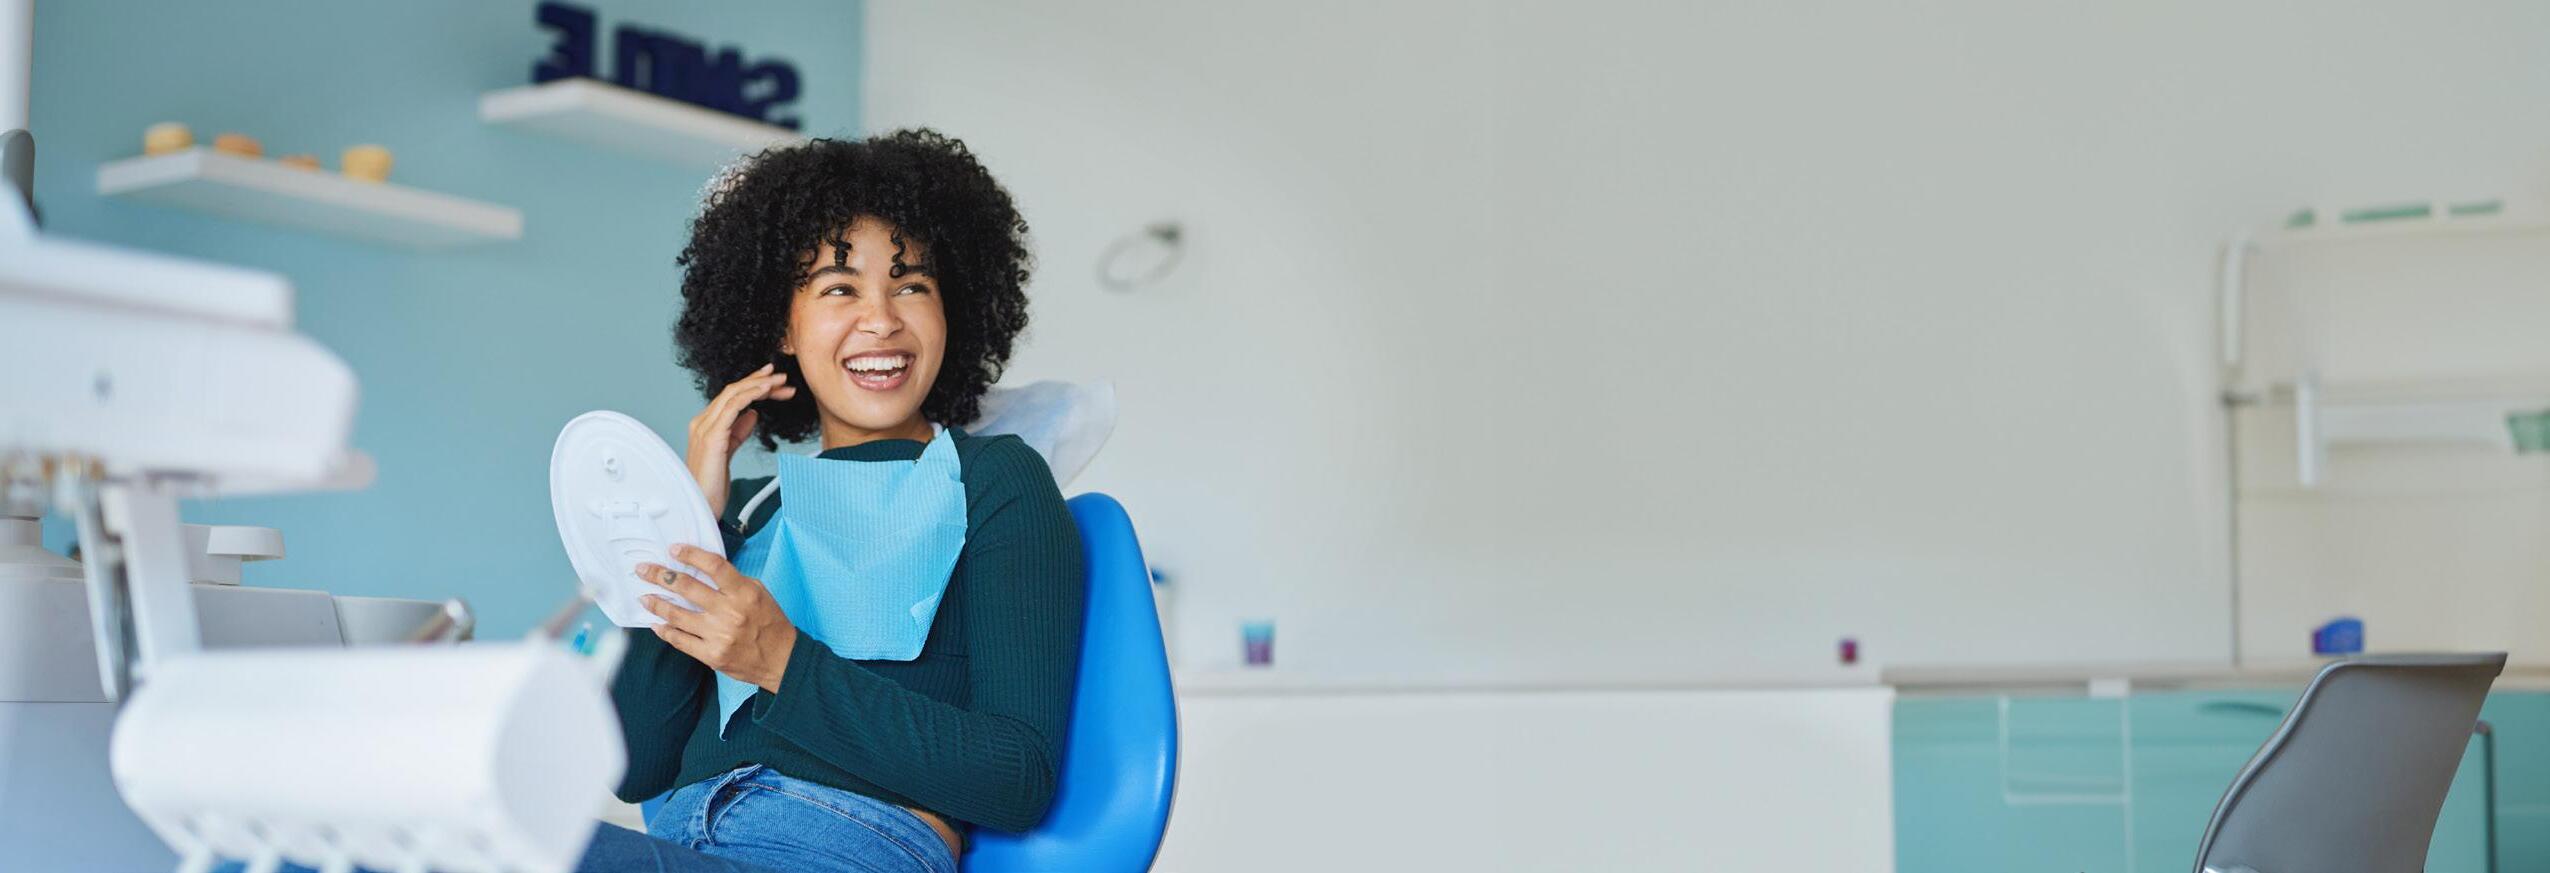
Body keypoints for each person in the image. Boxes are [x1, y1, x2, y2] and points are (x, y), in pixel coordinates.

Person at [594, 129, 1084, 873]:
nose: (882, 319)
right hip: (687, 841)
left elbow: (1018, 777)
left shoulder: (994, 480)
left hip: (845, 846)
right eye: (839, 288)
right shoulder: (746, 512)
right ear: (783, 327)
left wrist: (782, 661)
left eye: (912, 285)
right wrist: (688, 518)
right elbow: (635, 765)